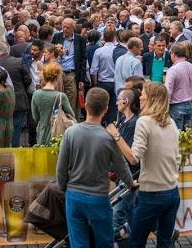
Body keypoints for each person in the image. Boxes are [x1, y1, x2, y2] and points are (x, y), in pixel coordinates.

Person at [57, 87, 134, 248]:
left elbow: (61, 169)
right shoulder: (108, 138)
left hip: (74, 195)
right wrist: (131, 183)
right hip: (98, 197)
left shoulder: (70, 133)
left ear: (85, 105)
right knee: (104, 241)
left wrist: (65, 188)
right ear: (106, 109)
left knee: (78, 242)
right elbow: (121, 167)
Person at [108, 82, 180, 248]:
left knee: (136, 242)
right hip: (172, 192)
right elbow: (177, 158)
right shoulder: (171, 122)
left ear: (151, 98)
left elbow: (134, 158)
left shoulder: (144, 122)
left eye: (143, 93)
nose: (140, 96)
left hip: (152, 194)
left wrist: (116, 135)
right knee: (165, 242)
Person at [111, 87, 140, 241]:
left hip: (130, 175)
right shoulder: (123, 120)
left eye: (118, 100)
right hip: (123, 174)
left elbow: (129, 155)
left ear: (126, 101)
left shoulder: (133, 124)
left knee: (117, 214)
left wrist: (115, 135)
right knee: (132, 212)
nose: (116, 103)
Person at [0, 40, 32, 146]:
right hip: (18, 100)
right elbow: (28, 80)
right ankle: (14, 152)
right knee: (16, 128)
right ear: (8, 51)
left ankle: (3, 153)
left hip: (0, 101)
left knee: (1, 129)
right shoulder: (19, 61)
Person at [52, 17, 88, 119]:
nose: (65, 29)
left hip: (71, 74)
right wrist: (57, 53)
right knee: (57, 100)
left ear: (73, 28)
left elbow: (83, 60)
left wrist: (81, 79)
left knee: (71, 100)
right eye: (63, 27)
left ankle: (71, 122)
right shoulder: (57, 37)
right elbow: (50, 53)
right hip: (57, 73)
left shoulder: (80, 40)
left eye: (67, 27)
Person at [30, 61, 74, 145]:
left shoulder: (36, 94)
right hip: (57, 133)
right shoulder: (61, 96)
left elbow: (35, 117)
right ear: (57, 78)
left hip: (41, 133)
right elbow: (71, 115)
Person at [165, 43, 192, 130]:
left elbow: (168, 90)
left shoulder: (172, 70)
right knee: (187, 137)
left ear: (173, 54)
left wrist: (165, 109)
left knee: (176, 136)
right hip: (189, 105)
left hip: (176, 106)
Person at [90, 28, 118, 124]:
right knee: (113, 110)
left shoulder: (99, 51)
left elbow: (93, 70)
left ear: (103, 38)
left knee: (101, 108)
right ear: (115, 37)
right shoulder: (118, 51)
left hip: (102, 83)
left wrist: (95, 84)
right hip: (115, 83)